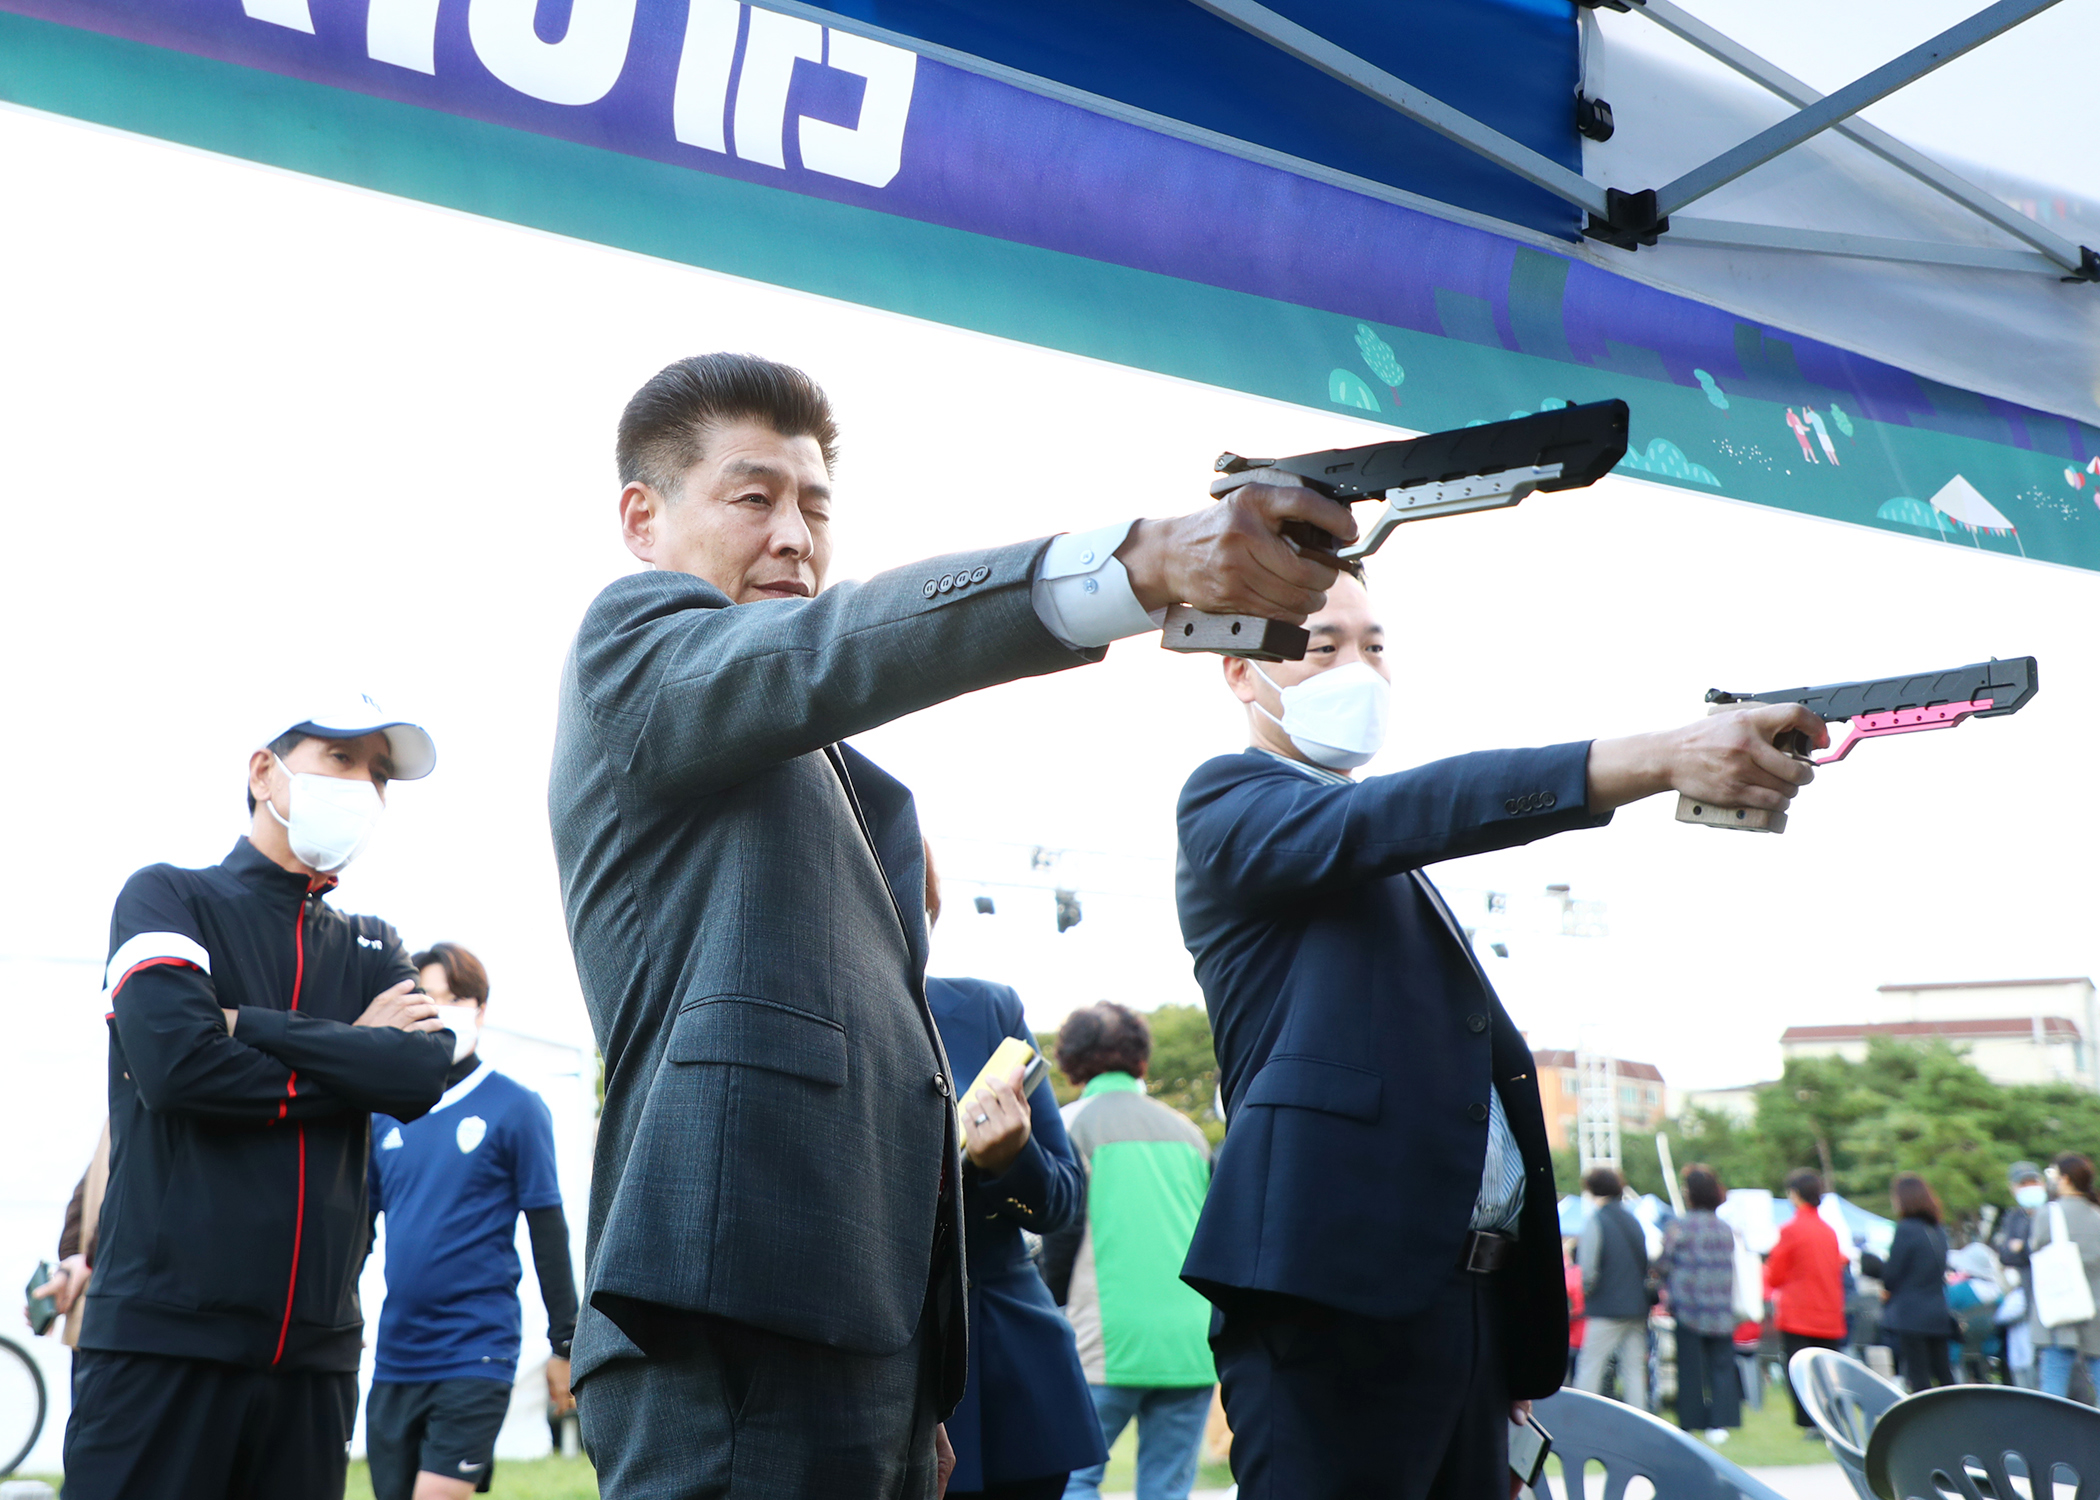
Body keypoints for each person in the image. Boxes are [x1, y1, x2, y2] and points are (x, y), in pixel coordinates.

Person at [548, 352, 1353, 1498]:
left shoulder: (836, 779)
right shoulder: (631, 650)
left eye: (816, 506)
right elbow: (835, 652)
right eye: (752, 495)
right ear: (643, 516)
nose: (794, 536)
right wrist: (1143, 563)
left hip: (869, 1356)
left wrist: (919, 1377)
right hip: (728, 1330)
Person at [1173, 570, 1825, 1497]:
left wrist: (1505, 1345)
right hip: (1339, 1296)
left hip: (1464, 1310)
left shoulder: (1376, 855)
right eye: (1324, 645)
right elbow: (1407, 810)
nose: (1360, 668)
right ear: (1241, 673)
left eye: (1376, 643)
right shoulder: (1230, 805)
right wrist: (1657, 756)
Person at [63, 696, 456, 1500]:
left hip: (314, 1366)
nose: (365, 787)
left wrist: (248, 1025)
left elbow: (419, 1077)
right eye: (342, 760)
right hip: (162, 1347)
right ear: (263, 771)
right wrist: (355, 1052)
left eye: (378, 773)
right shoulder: (167, 898)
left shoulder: (375, 943)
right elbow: (179, 1069)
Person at [364, 941, 580, 1500]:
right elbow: (356, 1231)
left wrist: (566, 1344)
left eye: (453, 997)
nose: (440, 1009)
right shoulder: (381, 1114)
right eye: (427, 998)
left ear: (479, 1008)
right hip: (397, 1353)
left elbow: (548, 1229)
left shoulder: (515, 1106)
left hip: (475, 1347)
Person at [920, 856, 1105, 1500]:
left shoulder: (983, 1007)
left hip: (1003, 1363)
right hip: (872, 1366)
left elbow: (1061, 1198)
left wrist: (1009, 1161)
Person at [1040, 1004, 1215, 1500]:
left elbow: (1060, 1236)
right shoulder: (1190, 1133)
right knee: (1168, 1490)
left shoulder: (1067, 1126)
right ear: (1141, 1058)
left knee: (1074, 1479)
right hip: (1190, 1343)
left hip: (1105, 1343)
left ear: (1070, 1060)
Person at [1655, 1165, 1740, 1442]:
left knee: (1690, 1368)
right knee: (1721, 1367)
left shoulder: (1679, 1227)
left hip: (1689, 1307)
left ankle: (1691, 1420)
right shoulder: (1725, 1228)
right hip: (1721, 1308)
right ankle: (1721, 1422)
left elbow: (1664, 1264)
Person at [1764, 1169, 1848, 1430]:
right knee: (1828, 1375)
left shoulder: (1791, 1230)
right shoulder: (1830, 1231)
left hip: (1798, 1314)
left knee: (1801, 1374)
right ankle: (1834, 1419)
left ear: (1795, 1194)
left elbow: (1775, 1275)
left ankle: (1808, 1423)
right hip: (1829, 1312)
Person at [1574, 1168, 1650, 1409]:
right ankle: (1640, 1421)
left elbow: (1588, 1270)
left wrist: (1587, 1292)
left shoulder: (1596, 1220)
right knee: (1634, 1369)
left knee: (1591, 1364)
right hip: (1637, 1306)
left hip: (1607, 1308)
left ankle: (1581, 1415)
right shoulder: (1633, 1219)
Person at [2028, 1152, 2100, 1401]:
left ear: (2065, 1179)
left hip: (2061, 1308)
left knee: (2054, 1383)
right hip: (2096, 1310)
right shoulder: (2096, 1215)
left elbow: (2035, 1249)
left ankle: (2051, 1437)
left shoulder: (2049, 1214)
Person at [1881, 1173, 1955, 1392]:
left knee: (1918, 1374)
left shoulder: (1905, 1229)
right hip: (1937, 1310)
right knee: (1944, 1372)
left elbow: (1891, 1275)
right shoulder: (1938, 1230)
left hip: (1911, 1313)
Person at [1993, 1160, 2048, 1387]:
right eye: (2022, 1183)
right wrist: (2025, 1247)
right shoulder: (2013, 1217)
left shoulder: (2051, 1210)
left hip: (2054, 1295)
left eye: (2032, 1182)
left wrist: (2022, 1246)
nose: (2028, 1188)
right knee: (2027, 1360)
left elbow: (2038, 1248)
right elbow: (2006, 1254)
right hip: (2027, 1295)